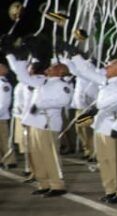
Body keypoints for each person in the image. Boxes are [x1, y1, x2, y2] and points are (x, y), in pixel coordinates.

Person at [66, 55, 117, 203]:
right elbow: (85, 72)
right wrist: (76, 56)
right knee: (103, 161)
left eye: (109, 66)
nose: (106, 67)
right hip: (100, 126)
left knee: (116, 161)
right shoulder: (106, 82)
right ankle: (110, 189)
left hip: (112, 128)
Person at [5, 53, 72, 196]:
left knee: (49, 155)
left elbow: (63, 101)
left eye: (54, 67)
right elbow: (22, 77)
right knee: (37, 155)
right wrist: (12, 56)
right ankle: (43, 183)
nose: (49, 68)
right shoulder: (43, 81)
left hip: (47, 124)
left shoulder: (62, 85)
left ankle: (57, 185)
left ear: (60, 71)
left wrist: (41, 104)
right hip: (34, 122)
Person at [0, 61, 17, 169]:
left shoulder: (4, 84)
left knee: (5, 139)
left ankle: (10, 161)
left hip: (1, 116)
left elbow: (4, 102)